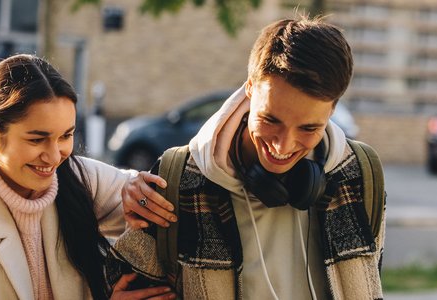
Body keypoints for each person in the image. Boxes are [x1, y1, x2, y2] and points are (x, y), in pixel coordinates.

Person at [122, 16, 384, 299]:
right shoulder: (179, 179)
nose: (283, 145)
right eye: (271, 119)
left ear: (332, 110)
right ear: (250, 89)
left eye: (309, 128)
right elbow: (119, 282)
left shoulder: (361, 173)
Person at [0, 54, 173, 300]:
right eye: (37, 139)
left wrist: (140, 191)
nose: (55, 156)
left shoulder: (77, 177)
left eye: (66, 136)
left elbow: (169, 196)